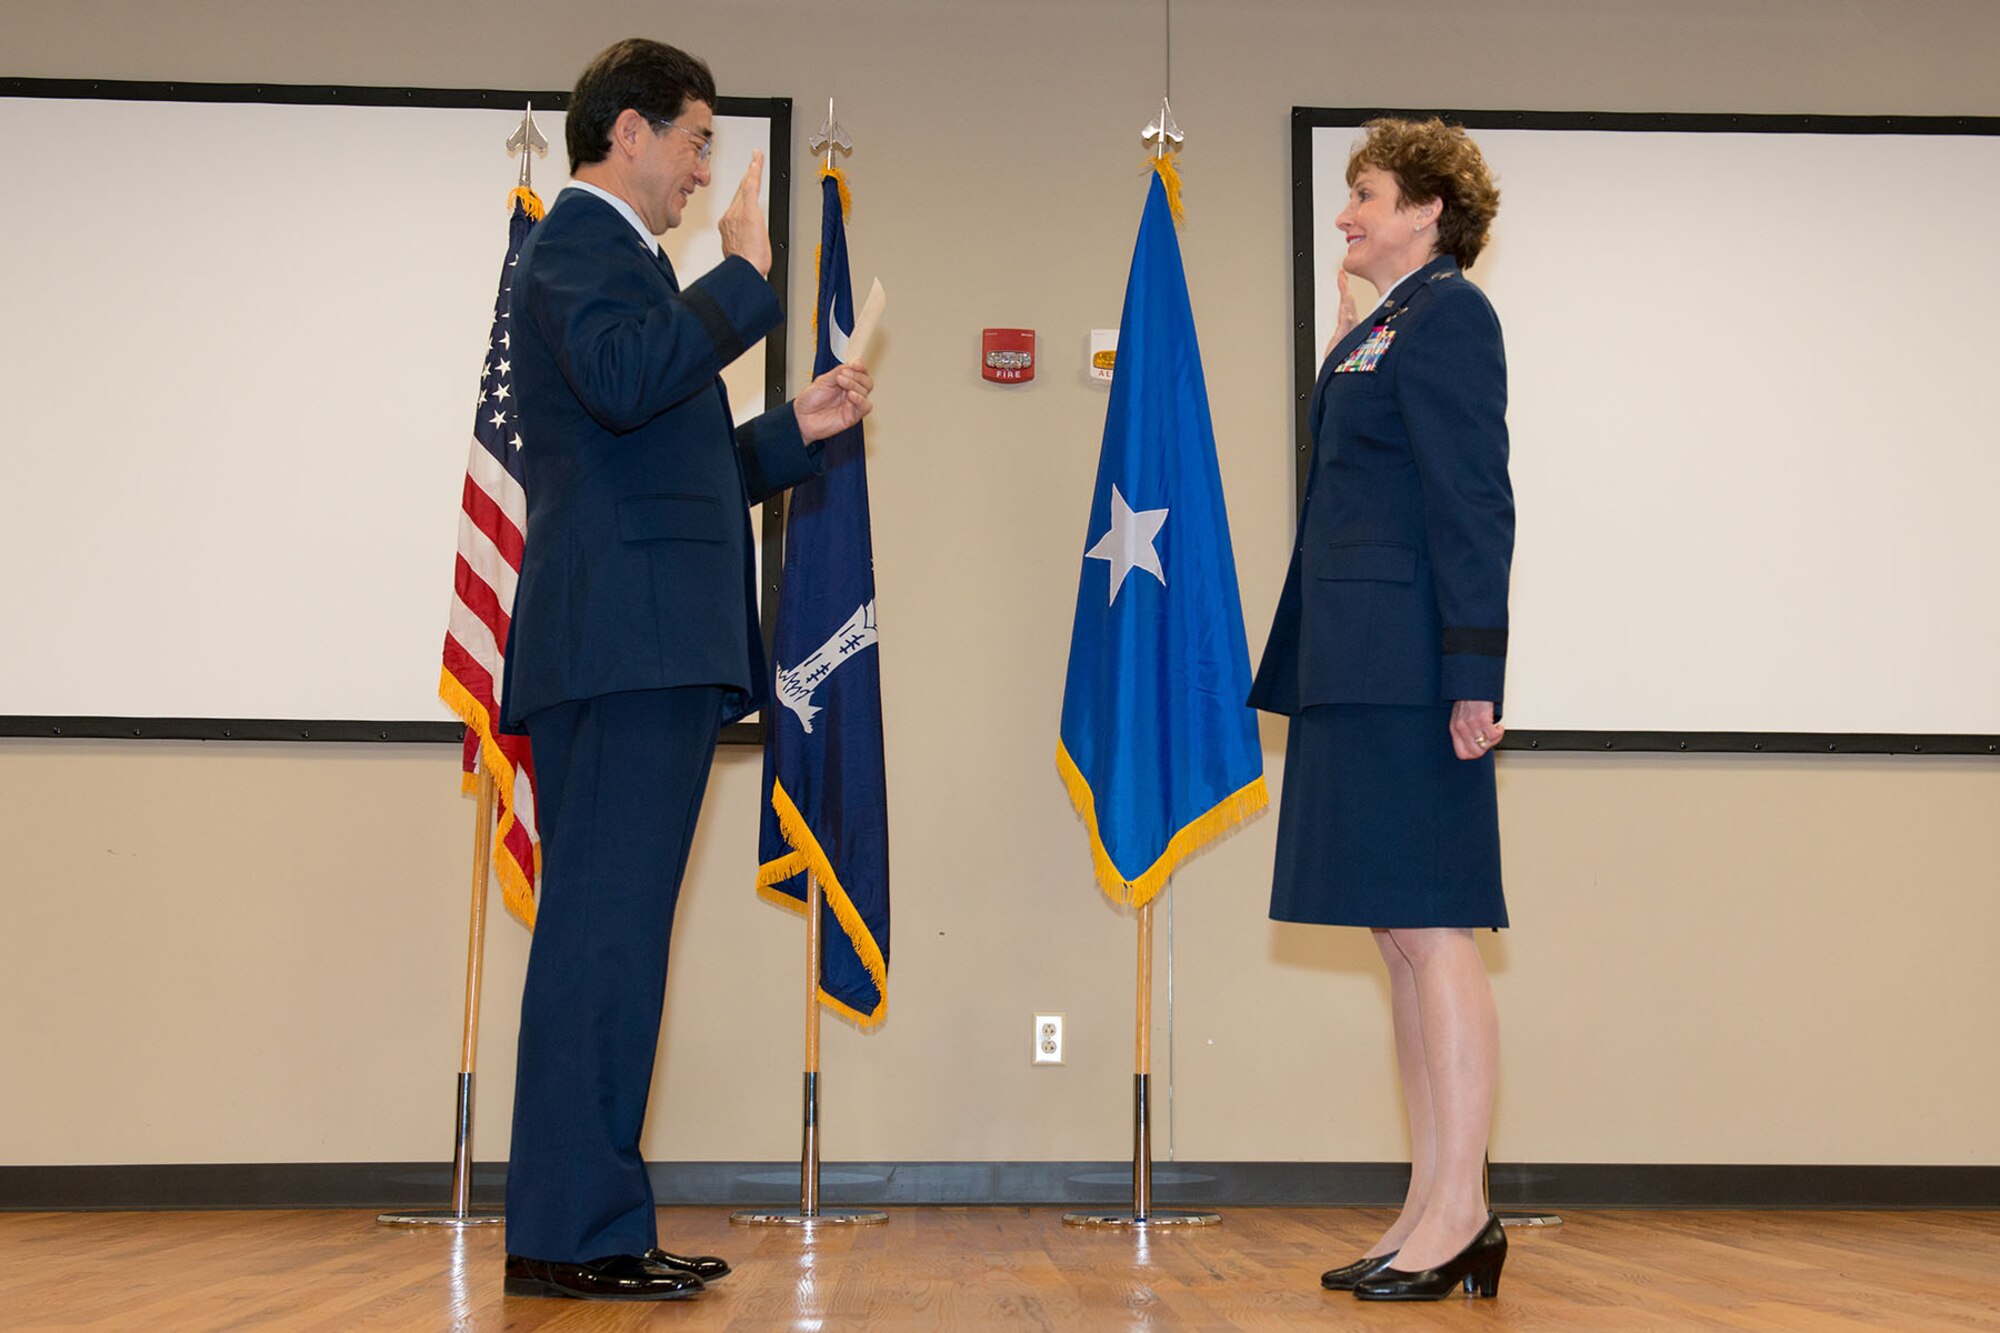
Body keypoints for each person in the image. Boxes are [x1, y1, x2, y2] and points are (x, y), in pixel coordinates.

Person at [496, 38, 873, 1302]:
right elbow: (616, 386)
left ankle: (590, 1220)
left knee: (614, 939)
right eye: (697, 141)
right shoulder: (575, 246)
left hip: (639, 641)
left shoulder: (628, 265)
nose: (705, 169)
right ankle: (572, 1231)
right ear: (628, 134)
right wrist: (746, 278)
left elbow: (655, 458)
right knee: (602, 940)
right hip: (617, 645)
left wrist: (789, 434)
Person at [1248, 117, 1514, 1303]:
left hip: (1413, 664)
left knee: (1432, 922)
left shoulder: (1451, 316)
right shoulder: (1380, 324)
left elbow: (1473, 501)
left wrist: (1472, 667)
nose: (1344, 214)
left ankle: (1461, 1208)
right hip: (1354, 661)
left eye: (1362, 195)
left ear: (1424, 210)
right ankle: (1428, 1200)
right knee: (1394, 934)